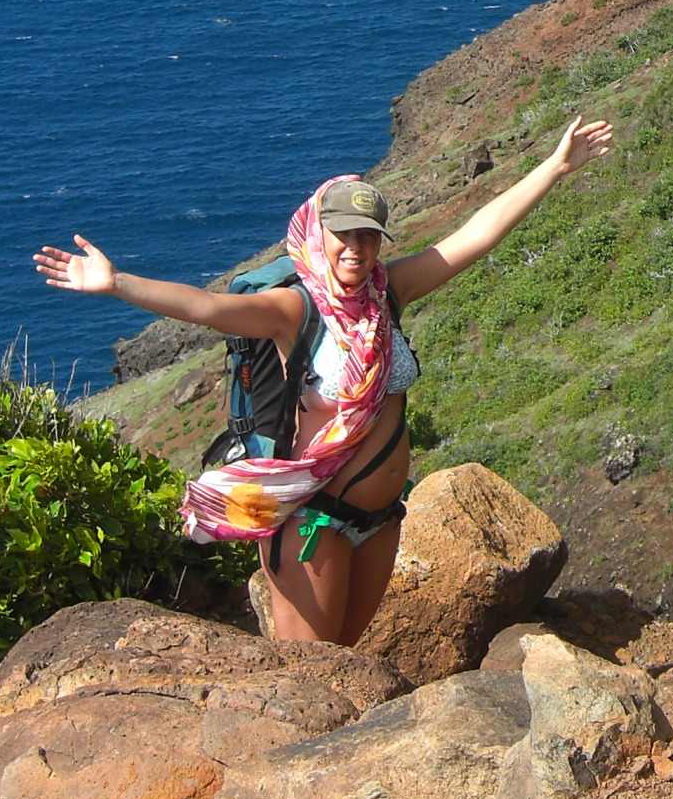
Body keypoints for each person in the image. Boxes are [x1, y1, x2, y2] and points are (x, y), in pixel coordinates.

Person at [34, 116, 613, 646]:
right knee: (311, 673)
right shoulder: (295, 309)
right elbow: (207, 308)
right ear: (317, 231)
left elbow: (476, 235)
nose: (356, 249)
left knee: (346, 659)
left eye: (368, 236)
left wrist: (554, 167)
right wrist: (117, 283)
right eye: (344, 234)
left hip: (380, 521)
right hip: (314, 522)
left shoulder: (387, 295)